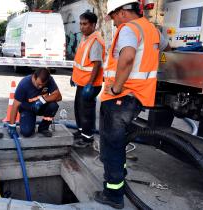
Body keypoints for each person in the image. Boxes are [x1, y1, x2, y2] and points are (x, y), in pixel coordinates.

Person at [93, 1, 171, 209]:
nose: (114, 21)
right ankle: (118, 183)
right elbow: (167, 48)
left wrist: (117, 88)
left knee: (111, 146)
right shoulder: (152, 30)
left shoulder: (129, 28)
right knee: (117, 145)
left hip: (120, 98)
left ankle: (113, 194)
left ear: (123, 12)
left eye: (114, 15)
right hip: (136, 98)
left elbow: (127, 57)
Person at [71, 12, 105, 148]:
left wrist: (90, 84)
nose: (81, 27)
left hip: (90, 84)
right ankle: (81, 131)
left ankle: (87, 138)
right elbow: (80, 61)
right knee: (79, 108)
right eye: (80, 23)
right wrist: (73, 76)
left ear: (93, 25)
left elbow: (97, 64)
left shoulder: (95, 41)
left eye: (85, 24)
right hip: (81, 82)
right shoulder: (85, 38)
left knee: (87, 111)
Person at [7, 68, 62, 138]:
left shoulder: (49, 80)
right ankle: (30, 124)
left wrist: (42, 101)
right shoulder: (24, 84)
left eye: (43, 85)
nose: (40, 87)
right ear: (34, 77)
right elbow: (15, 105)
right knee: (26, 132)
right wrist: (12, 126)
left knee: (53, 106)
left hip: (41, 106)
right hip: (27, 109)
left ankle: (43, 128)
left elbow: (59, 96)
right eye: (38, 84)